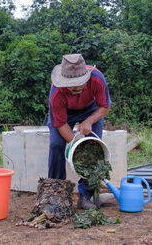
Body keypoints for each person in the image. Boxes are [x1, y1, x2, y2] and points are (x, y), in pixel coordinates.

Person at [47, 53, 111, 210]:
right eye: (72, 84)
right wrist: (76, 145)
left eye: (80, 83)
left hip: (91, 110)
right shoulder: (56, 93)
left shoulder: (97, 79)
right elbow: (61, 124)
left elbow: (105, 106)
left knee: (94, 149)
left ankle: (86, 196)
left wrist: (89, 121)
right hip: (65, 114)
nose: (76, 87)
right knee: (56, 145)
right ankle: (56, 192)